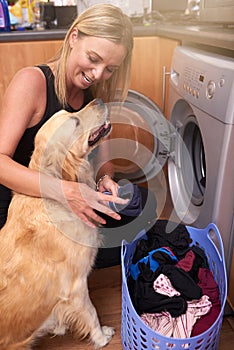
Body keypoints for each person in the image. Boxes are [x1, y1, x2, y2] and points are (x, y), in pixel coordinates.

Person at [0, 4, 157, 267]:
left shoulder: (96, 91)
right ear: (74, 37)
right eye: (93, 59)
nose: (97, 75)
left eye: (109, 68)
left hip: (65, 200)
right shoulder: (32, 82)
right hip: (20, 207)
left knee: (142, 205)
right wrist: (67, 192)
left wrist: (105, 179)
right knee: (129, 238)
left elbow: (102, 158)